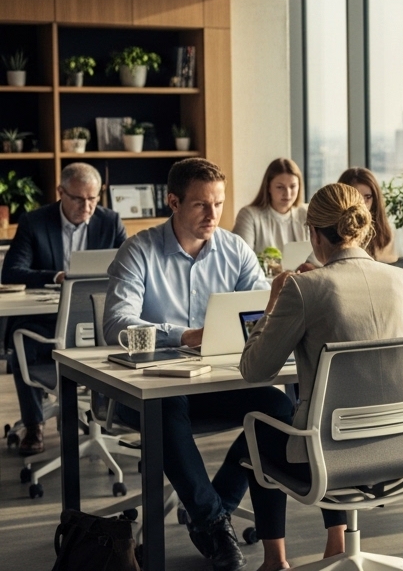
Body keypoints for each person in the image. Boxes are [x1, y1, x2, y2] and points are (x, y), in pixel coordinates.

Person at [104, 158, 286, 571]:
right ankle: (213, 525)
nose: (213, 215)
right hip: (153, 385)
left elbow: (260, 310)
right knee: (167, 405)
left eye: (218, 204)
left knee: (278, 409)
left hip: (216, 380)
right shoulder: (140, 249)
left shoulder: (234, 249)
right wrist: (184, 335)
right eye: (202, 205)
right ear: (173, 201)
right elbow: (116, 322)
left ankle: (214, 508)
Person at [239, 183, 403, 571]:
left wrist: (272, 304)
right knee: (326, 423)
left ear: (314, 233)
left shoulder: (306, 288)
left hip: (331, 457)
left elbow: (255, 371)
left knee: (254, 436)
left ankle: (275, 561)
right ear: (361, 227)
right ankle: (337, 545)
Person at [1, 163, 127, 455]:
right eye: (78, 199)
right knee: (24, 341)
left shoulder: (110, 221)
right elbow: (12, 272)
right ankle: (34, 425)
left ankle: (112, 417)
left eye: (93, 199)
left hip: (93, 317)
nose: (87, 206)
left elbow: (129, 268)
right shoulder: (35, 221)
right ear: (60, 192)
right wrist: (55, 276)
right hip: (44, 316)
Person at [233, 157, 308, 255]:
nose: (287, 194)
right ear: (268, 187)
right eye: (280, 187)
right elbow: (243, 260)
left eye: (293, 186)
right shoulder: (249, 215)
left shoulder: (306, 213)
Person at [335, 167, 397, 263]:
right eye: (356, 196)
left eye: (367, 197)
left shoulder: (386, 234)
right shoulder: (329, 232)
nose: (362, 203)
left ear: (375, 199)